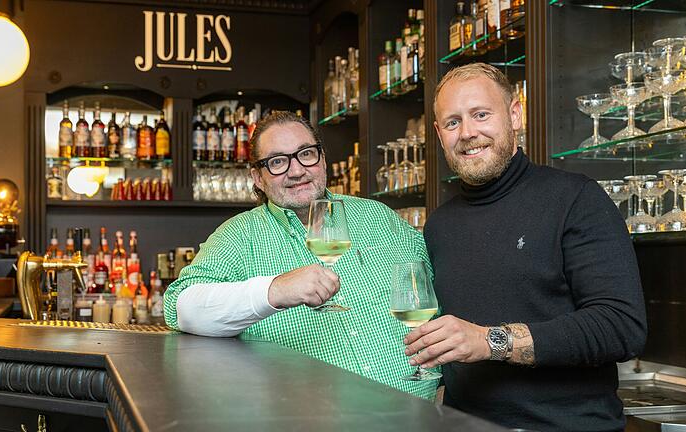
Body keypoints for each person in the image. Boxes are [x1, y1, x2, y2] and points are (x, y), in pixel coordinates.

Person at [403, 63, 647, 431]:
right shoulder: (439, 225)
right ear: (439, 134)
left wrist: (491, 341)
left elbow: (621, 327)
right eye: (453, 123)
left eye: (481, 114)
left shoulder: (576, 199)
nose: (468, 133)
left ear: (515, 115)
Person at [164, 111, 436, 400]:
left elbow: (435, 282)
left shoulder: (376, 216)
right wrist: (275, 290)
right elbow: (179, 307)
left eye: (306, 154)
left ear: (322, 158)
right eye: (278, 162)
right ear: (257, 177)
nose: (296, 171)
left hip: (420, 413)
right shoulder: (238, 236)